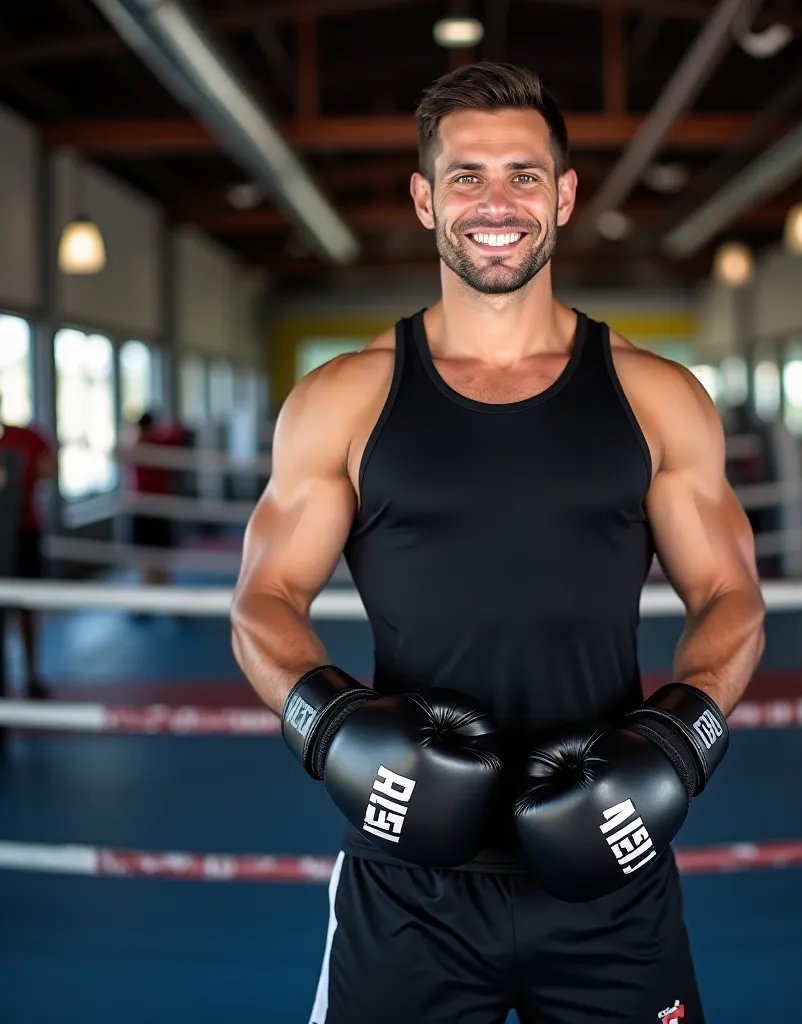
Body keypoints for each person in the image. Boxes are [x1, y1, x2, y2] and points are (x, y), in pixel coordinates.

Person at [231, 63, 765, 1024]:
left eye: (523, 175)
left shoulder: (656, 396)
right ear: (425, 199)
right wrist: (333, 727)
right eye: (466, 176)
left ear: (563, 195)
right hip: (407, 889)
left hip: (613, 874)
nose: (496, 203)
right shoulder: (345, 398)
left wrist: (680, 740)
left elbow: (731, 596)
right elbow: (262, 602)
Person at [0, 392, 56, 699]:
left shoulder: (26, 437)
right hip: (20, 533)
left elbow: (50, 469)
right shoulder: (26, 437)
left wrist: (19, 477)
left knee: (26, 605)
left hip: (22, 533)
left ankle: (31, 676)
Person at [127, 410, 179, 586]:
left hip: (152, 507)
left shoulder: (144, 445)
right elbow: (176, 434)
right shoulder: (148, 445)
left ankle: (156, 590)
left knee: (155, 555)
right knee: (151, 555)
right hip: (148, 507)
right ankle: (155, 590)